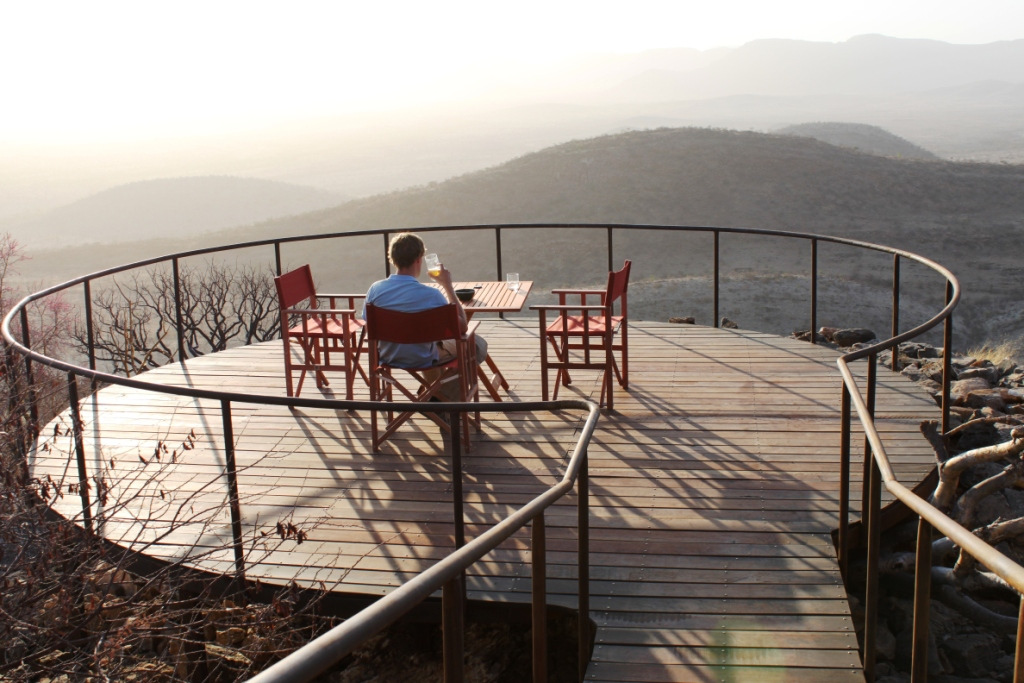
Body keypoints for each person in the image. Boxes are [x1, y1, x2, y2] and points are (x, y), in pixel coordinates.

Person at [363, 232, 487, 396]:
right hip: (423, 357)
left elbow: (368, 323)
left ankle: (434, 395)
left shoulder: (375, 290)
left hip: (388, 356)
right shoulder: (431, 295)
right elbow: (462, 328)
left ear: (392, 259)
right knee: (476, 344)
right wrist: (447, 285)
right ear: (419, 260)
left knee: (431, 343)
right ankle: (438, 401)